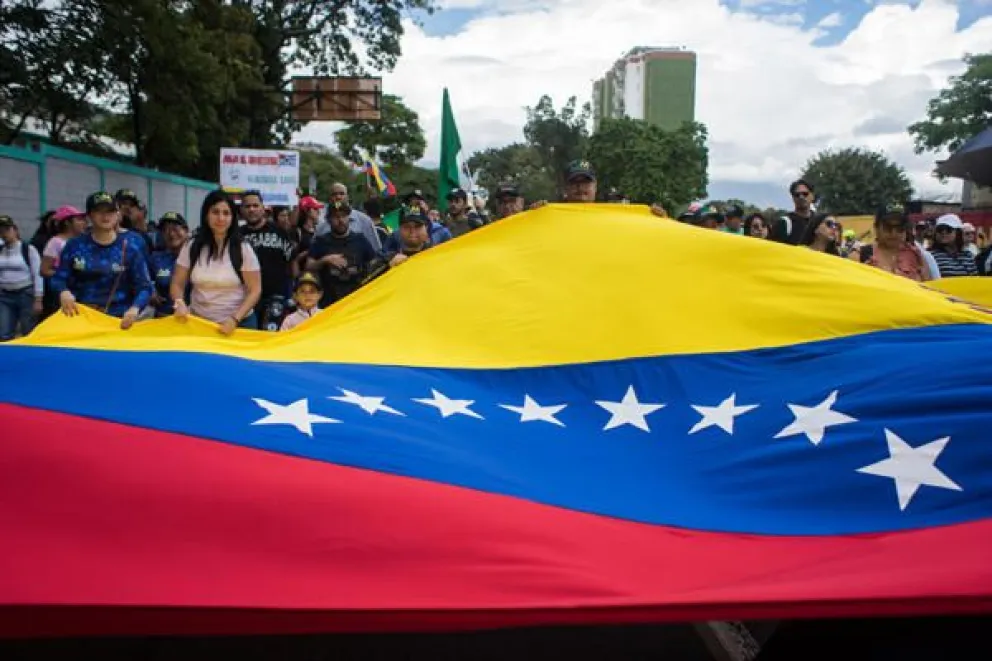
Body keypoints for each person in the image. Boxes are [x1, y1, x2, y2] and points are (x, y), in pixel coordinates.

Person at [50, 192, 154, 329]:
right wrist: (63, 292)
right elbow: (58, 278)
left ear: (118, 215)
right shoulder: (75, 245)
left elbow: (144, 286)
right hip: (80, 317)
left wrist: (135, 308)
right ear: (90, 215)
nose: (105, 217)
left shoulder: (130, 248)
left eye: (110, 211)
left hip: (118, 319)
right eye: (99, 211)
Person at [170, 189, 262, 334]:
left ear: (233, 218)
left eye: (226, 213)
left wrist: (234, 319)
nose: (221, 218)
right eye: (215, 212)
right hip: (198, 324)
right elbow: (177, 283)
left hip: (238, 325)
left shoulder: (243, 249)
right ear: (206, 215)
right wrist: (179, 303)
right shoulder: (191, 246)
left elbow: (255, 290)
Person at [306, 201, 379, 307]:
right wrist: (325, 260)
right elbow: (308, 266)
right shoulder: (321, 241)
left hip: (357, 300)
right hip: (330, 302)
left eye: (343, 216)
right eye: (336, 217)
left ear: (349, 218)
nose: (340, 220)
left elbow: (375, 264)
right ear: (329, 220)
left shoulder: (360, 239)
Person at [852, 205, 932, 282]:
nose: (894, 233)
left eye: (900, 228)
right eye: (888, 227)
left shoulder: (916, 256)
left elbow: (929, 290)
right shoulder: (859, 256)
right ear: (876, 228)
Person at [0, 215, 43, 340]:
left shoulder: (28, 249)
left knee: (28, 329)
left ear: (15, 230)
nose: (4, 234)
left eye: (7, 230)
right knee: (4, 331)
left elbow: (38, 274)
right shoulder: (1, 250)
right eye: (1, 231)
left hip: (25, 293)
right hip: (5, 295)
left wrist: (38, 299)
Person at [147, 212, 189, 317]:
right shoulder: (155, 258)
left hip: (192, 319)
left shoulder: (198, 257)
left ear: (186, 231)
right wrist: (151, 291)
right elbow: (142, 281)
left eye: (175, 228)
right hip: (163, 318)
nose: (171, 234)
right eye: (166, 230)